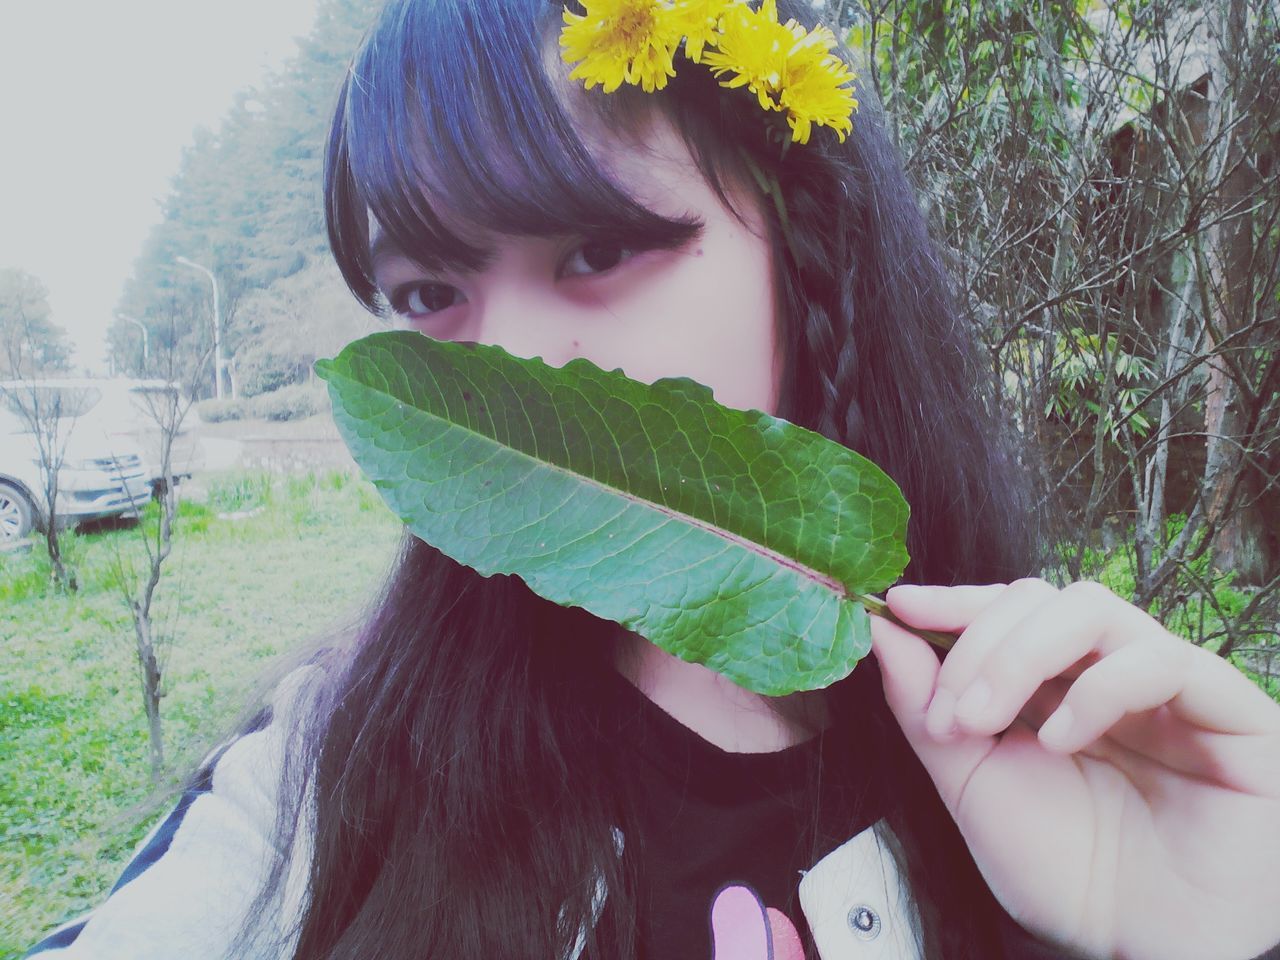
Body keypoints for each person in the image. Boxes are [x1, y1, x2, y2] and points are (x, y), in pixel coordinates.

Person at [27, 0, 1280, 957]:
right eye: (426, 296)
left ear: (802, 246)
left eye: (599, 247)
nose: (508, 369)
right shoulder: (323, 770)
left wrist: (1188, 916)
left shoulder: (1040, 743)